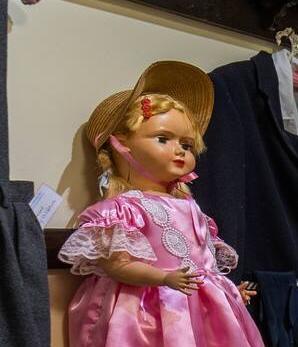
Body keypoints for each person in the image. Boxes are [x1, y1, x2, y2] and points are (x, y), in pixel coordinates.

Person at [58, 61, 264, 346]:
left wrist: (227, 292)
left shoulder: (191, 208)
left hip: (200, 308)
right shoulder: (125, 208)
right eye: (163, 139)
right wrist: (162, 279)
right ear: (121, 145)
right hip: (147, 310)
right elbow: (117, 265)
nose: (179, 149)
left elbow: (204, 261)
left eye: (187, 144)